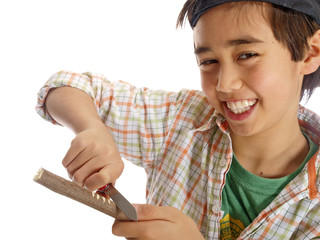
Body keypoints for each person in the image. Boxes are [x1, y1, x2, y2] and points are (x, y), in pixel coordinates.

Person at [36, 0, 320, 239]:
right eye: (209, 61)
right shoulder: (182, 120)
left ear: (311, 52)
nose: (224, 84)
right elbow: (65, 86)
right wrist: (91, 128)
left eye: (247, 55)